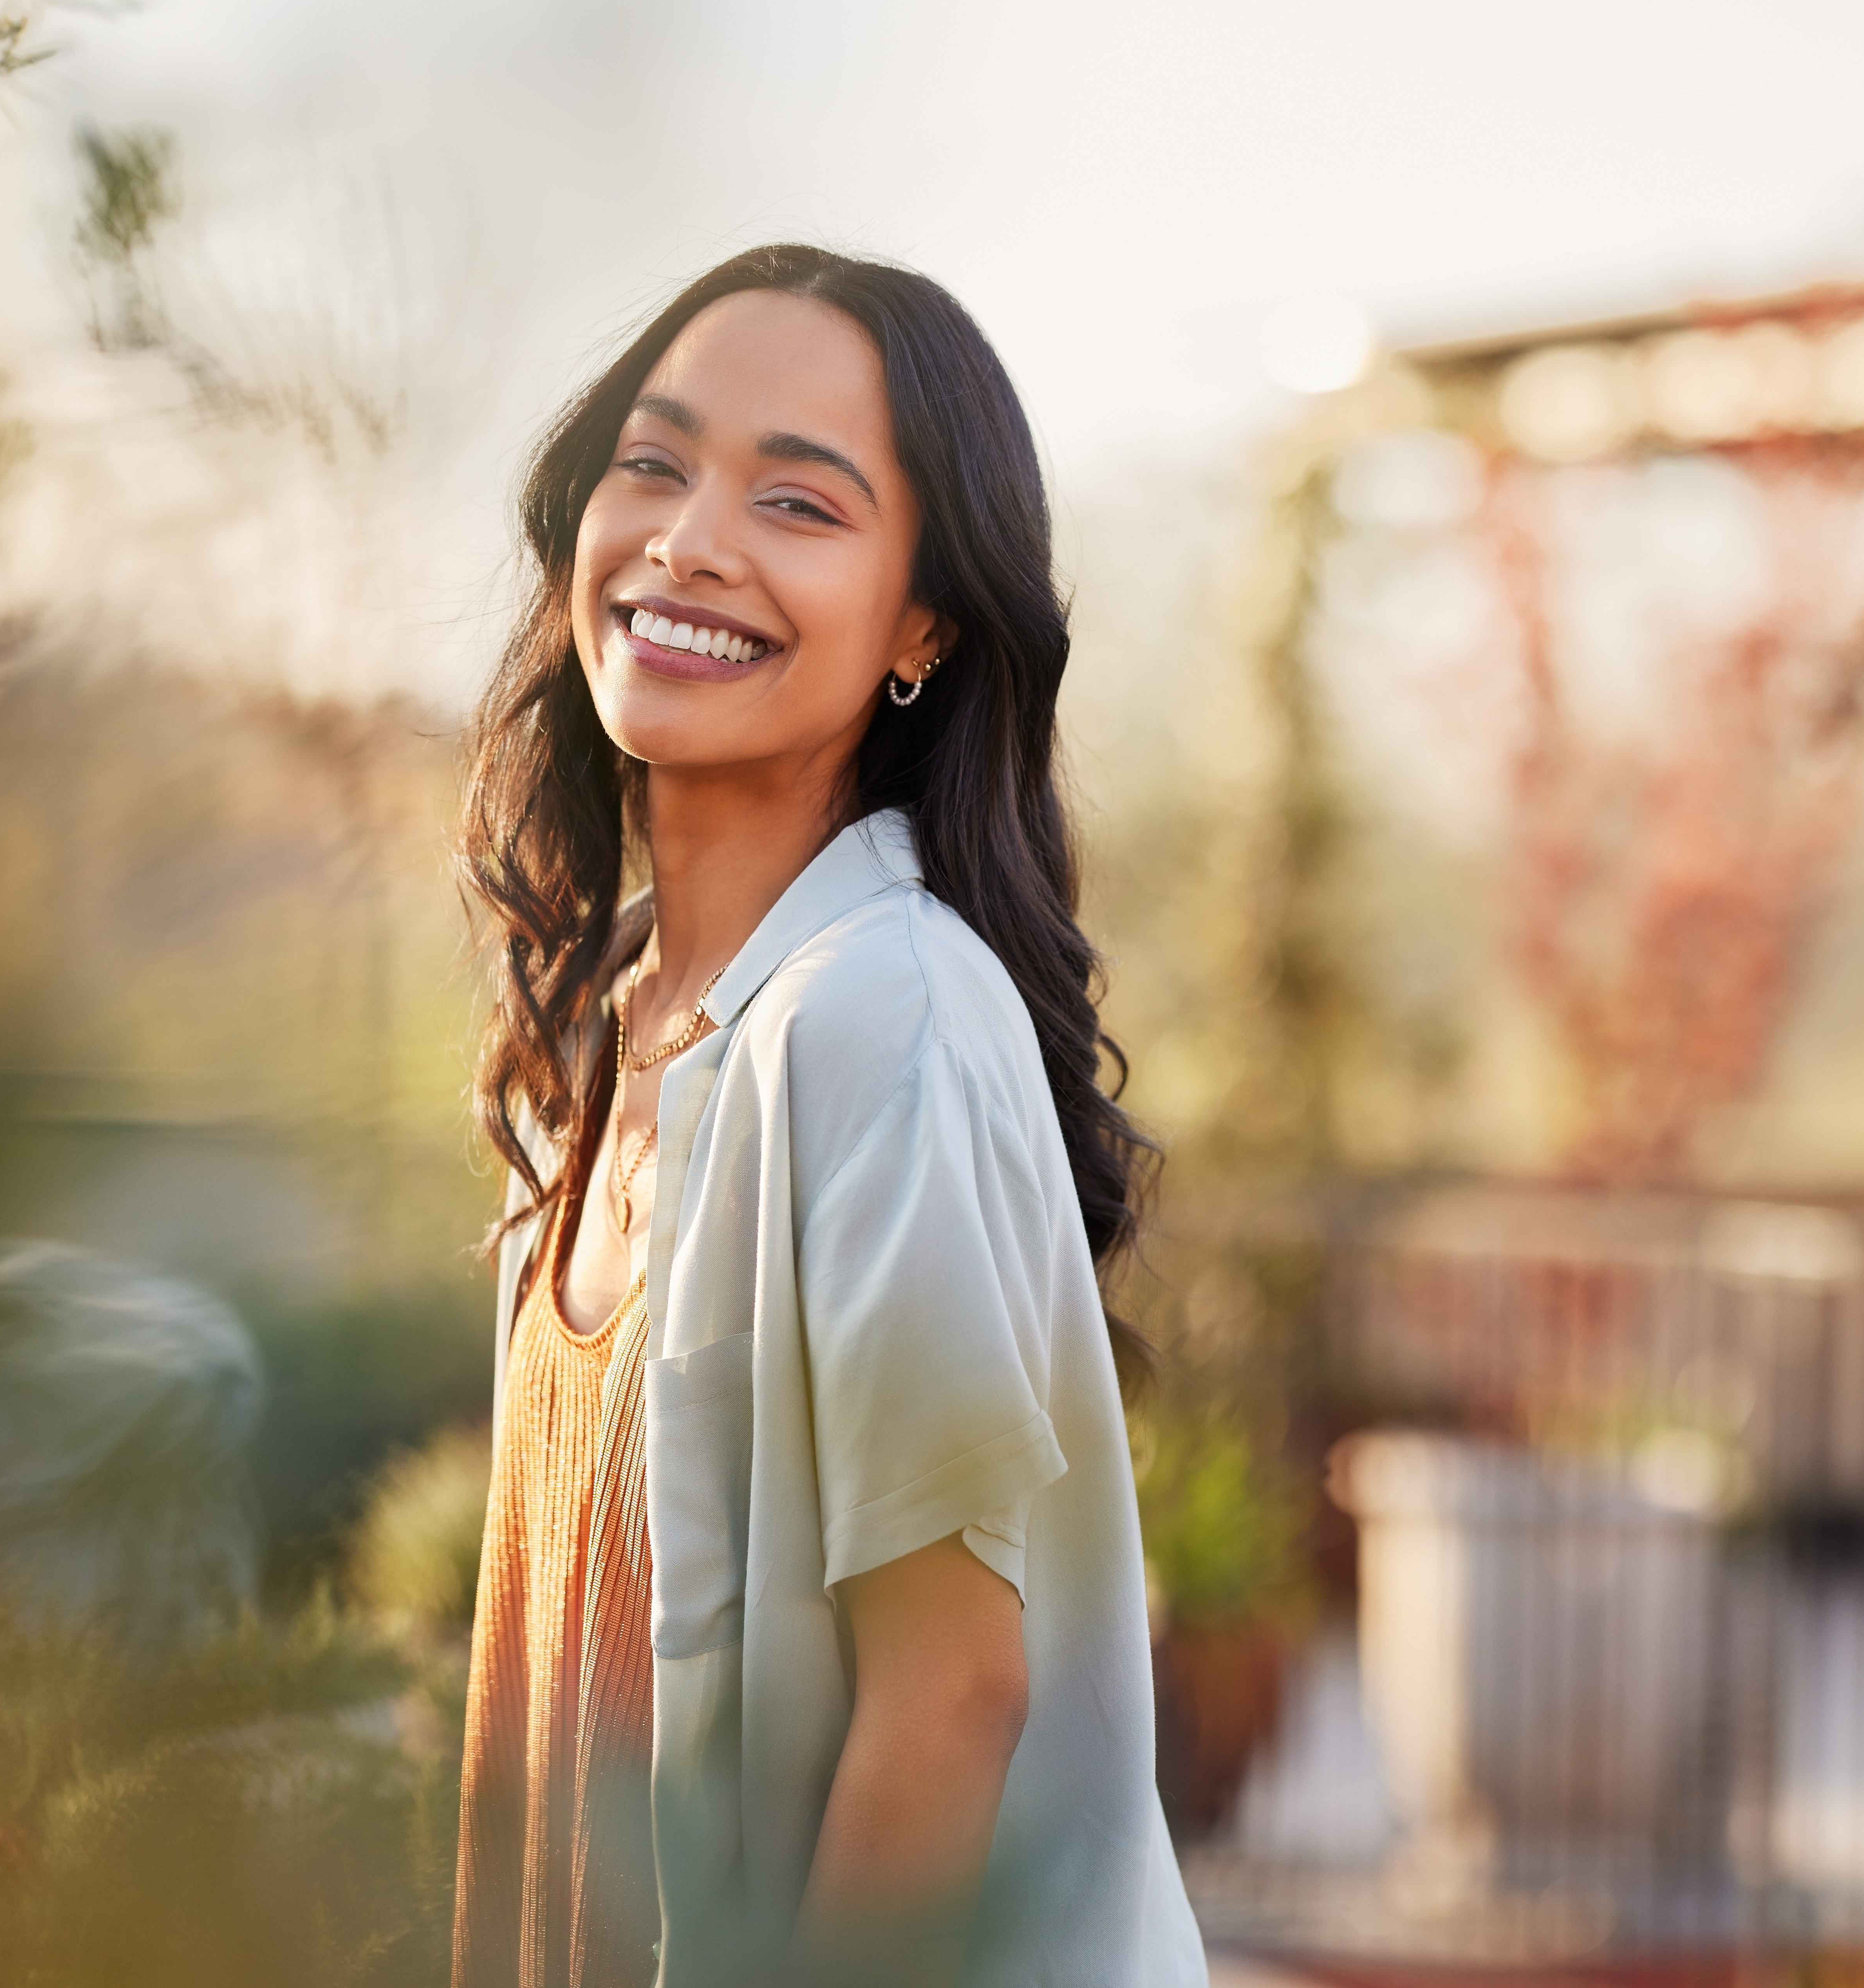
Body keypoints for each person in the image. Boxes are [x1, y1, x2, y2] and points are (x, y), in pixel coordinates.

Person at [452, 243, 1208, 1988]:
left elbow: (949, 1699)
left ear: (923, 626)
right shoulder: (599, 1026)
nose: (692, 540)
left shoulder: (886, 1013)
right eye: (654, 463)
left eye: (799, 501)